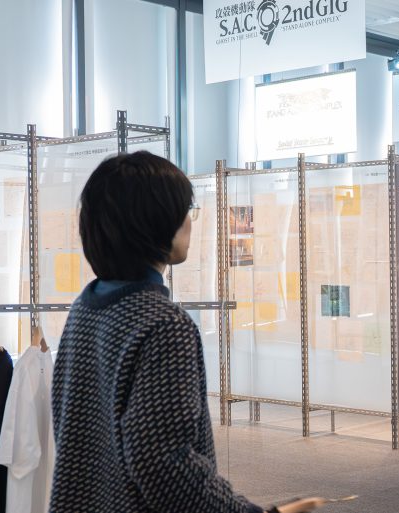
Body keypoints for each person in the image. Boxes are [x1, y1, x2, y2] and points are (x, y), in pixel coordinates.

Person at [49, 151, 324, 513]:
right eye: (186, 211)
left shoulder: (85, 309)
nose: (190, 223)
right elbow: (165, 466)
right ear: (155, 221)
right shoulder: (163, 324)